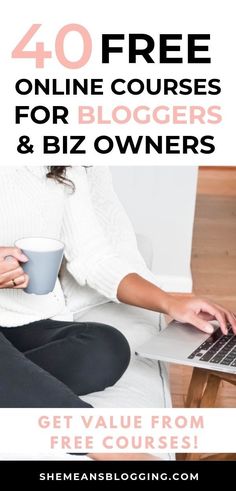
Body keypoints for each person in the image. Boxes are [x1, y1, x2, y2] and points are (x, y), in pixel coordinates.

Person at [0, 166, 235, 461]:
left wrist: (171, 303)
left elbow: (94, 258)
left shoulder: (60, 162)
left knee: (106, 349)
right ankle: (108, 447)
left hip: (26, 322)